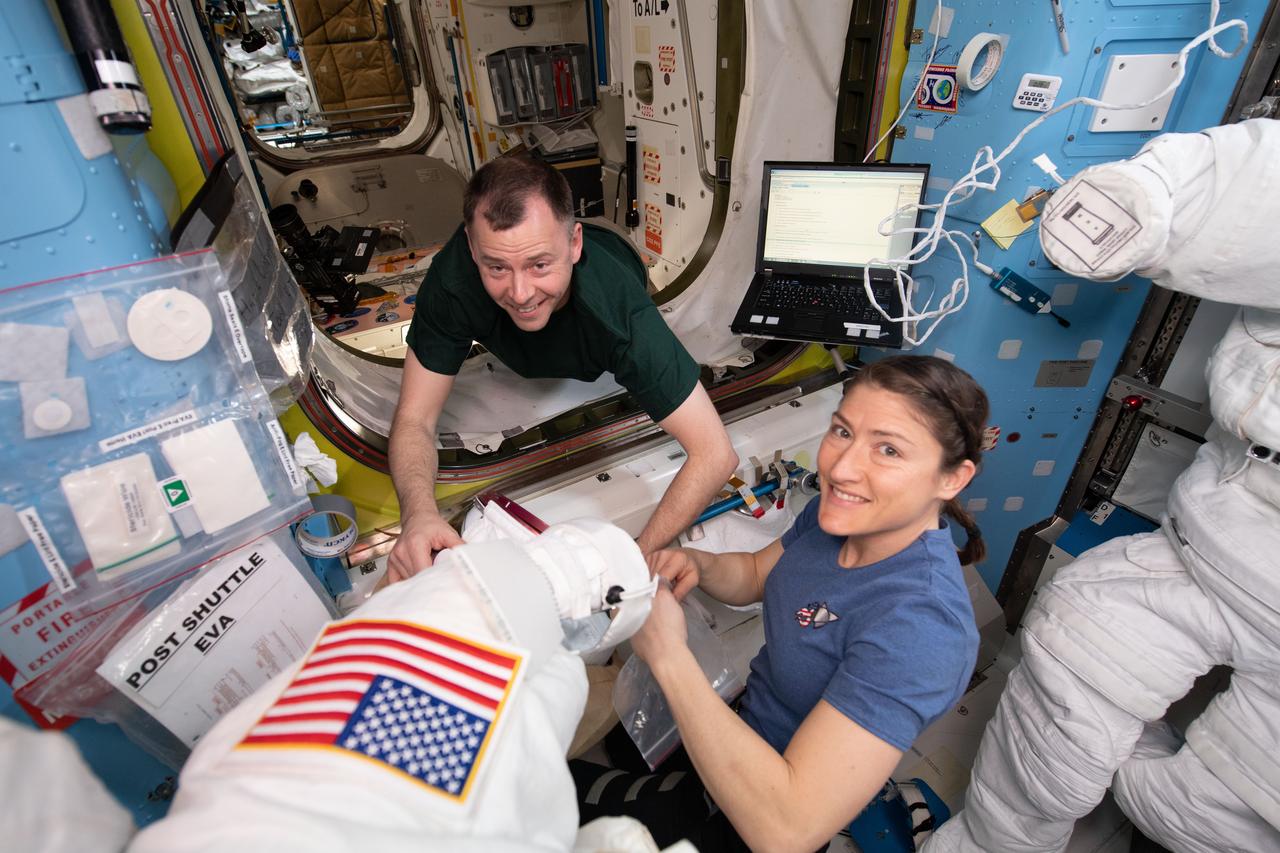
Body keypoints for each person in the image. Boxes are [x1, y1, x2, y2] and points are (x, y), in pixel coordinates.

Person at [578, 355, 987, 851]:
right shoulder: (837, 516)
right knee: (618, 753)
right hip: (746, 715)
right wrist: (699, 564)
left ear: (952, 479)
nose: (842, 467)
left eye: (888, 450)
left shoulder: (922, 628)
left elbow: (785, 829)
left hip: (771, 801)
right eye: (841, 431)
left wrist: (668, 655)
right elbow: (755, 575)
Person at [386, 156, 738, 582]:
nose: (519, 293)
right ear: (471, 246)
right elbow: (413, 418)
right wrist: (419, 516)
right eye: (496, 266)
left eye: (539, 265)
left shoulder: (619, 315)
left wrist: (630, 565)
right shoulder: (453, 280)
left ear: (573, 244)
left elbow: (715, 454)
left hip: (614, 251)